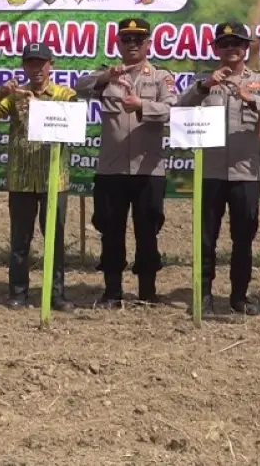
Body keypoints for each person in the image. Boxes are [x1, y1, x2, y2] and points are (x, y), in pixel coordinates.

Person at [177, 21, 260, 316]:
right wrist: (204, 86)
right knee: (206, 238)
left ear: (246, 47)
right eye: (224, 44)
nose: (231, 49)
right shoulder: (203, 79)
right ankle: (203, 295)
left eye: (236, 43)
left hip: (245, 172)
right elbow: (179, 106)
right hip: (210, 172)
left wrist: (253, 99)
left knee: (243, 238)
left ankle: (239, 296)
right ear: (216, 49)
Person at [75, 17, 178, 306]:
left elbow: (174, 108)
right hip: (112, 169)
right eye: (126, 39)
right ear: (118, 43)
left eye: (138, 39)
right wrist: (107, 77)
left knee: (148, 231)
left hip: (148, 169)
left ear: (148, 44)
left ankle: (147, 291)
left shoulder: (160, 77)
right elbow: (79, 87)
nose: (133, 44)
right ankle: (112, 291)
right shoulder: (107, 75)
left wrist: (143, 105)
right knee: (110, 231)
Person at [0, 43, 76, 312]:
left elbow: (72, 120)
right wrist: (0, 93)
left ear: (51, 65)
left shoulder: (64, 94)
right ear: (24, 66)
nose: (36, 68)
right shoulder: (14, 96)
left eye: (41, 63)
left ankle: (56, 294)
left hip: (54, 179)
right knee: (20, 240)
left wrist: (39, 106)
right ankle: (18, 293)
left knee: (54, 240)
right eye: (31, 63)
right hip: (21, 179)